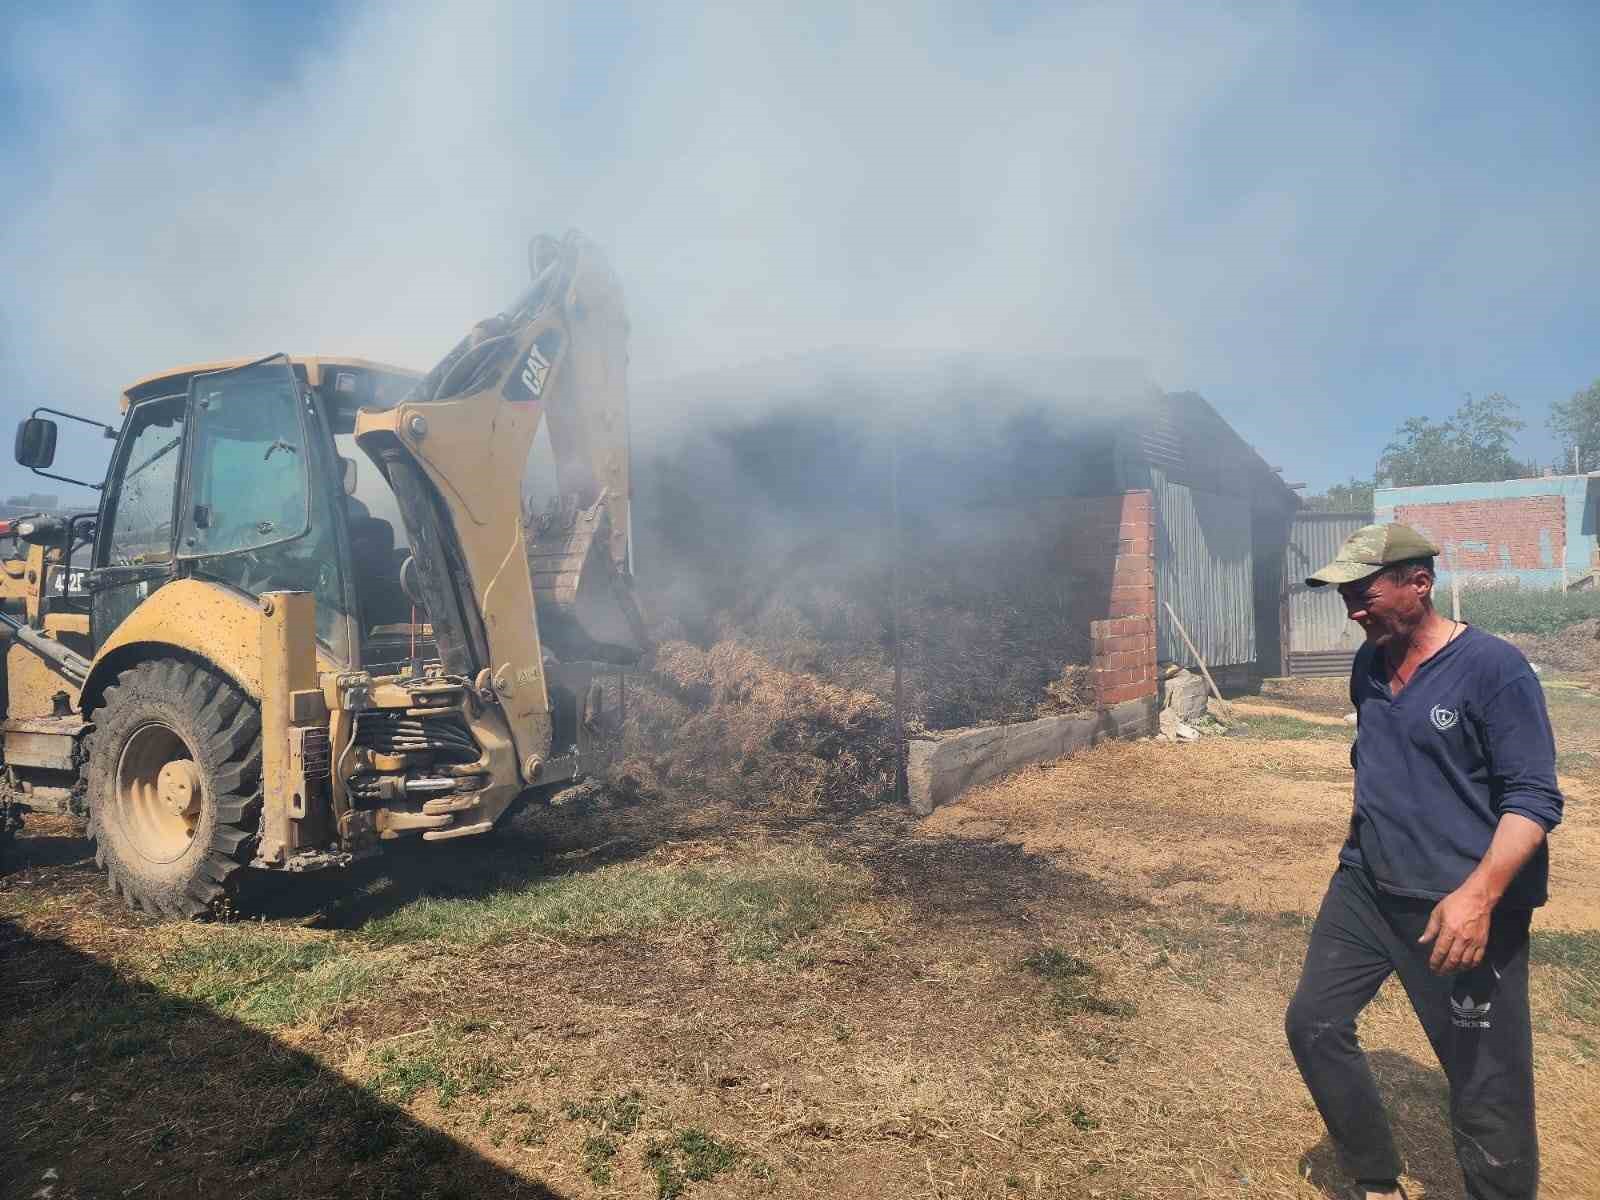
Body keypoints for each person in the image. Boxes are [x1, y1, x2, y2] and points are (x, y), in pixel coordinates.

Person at [1285, 523, 1562, 1200]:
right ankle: (1376, 1179)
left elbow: (1534, 797)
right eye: (1346, 596)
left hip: (1460, 907)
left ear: (1419, 582)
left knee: (1483, 1086)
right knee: (1313, 1024)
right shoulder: (1369, 664)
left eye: (1364, 593)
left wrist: (1478, 898)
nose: (1352, 610)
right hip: (1366, 886)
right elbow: (1379, 757)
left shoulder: (1494, 668)